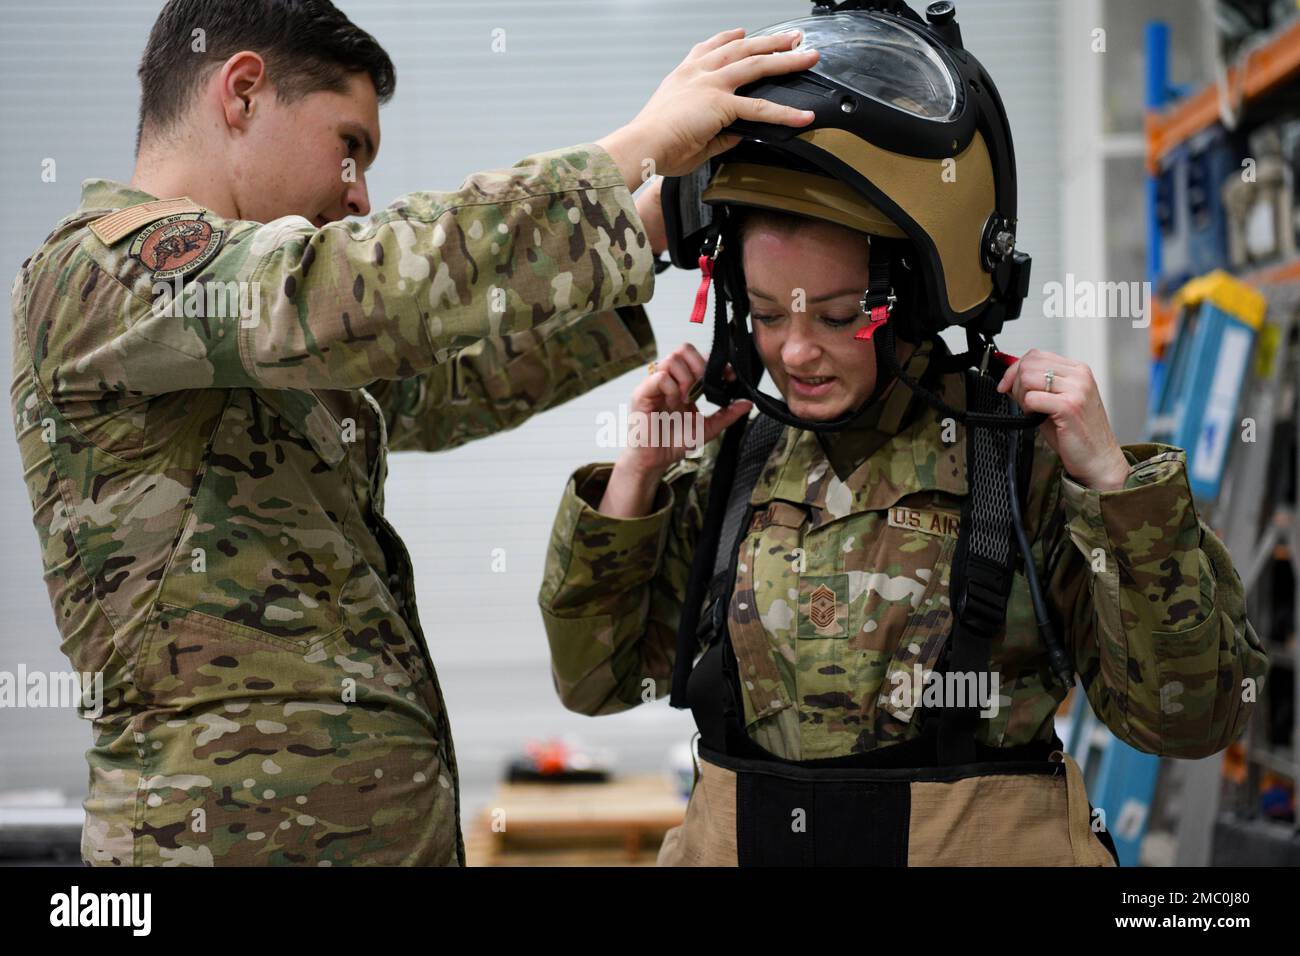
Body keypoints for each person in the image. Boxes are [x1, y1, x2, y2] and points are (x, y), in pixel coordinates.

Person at [8, 0, 822, 866]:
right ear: (242, 93)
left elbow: (448, 379)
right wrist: (637, 150)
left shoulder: (262, 343)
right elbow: (347, 287)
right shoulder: (97, 273)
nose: (358, 191)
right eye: (349, 144)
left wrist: (657, 221)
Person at [538, 3, 1269, 866]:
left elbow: (1190, 719)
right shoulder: (734, 461)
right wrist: (635, 482)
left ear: (914, 298)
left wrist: (1115, 488)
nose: (797, 350)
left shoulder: (1016, 457)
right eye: (768, 314)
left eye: (842, 316)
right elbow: (595, 682)